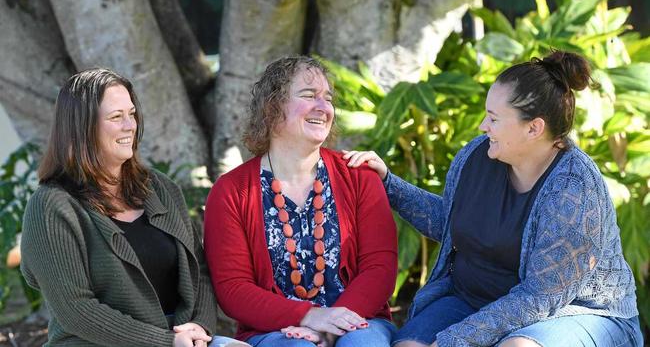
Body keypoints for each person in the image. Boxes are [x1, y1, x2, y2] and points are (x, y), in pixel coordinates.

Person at [344, 51, 644, 347]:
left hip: (574, 313)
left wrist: (453, 341)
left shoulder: (574, 190)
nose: (483, 127)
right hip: (472, 299)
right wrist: (387, 183)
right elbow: (450, 223)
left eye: (494, 119)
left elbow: (539, 298)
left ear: (533, 128)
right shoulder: (478, 154)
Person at [20, 68, 245, 347]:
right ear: (82, 128)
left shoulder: (161, 189)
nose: (130, 125)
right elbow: (76, 310)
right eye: (116, 117)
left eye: (132, 113)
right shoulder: (51, 206)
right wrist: (164, 342)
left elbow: (198, 270)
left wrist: (198, 327)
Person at [203, 56, 398, 347]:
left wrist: (332, 325)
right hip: (275, 331)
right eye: (308, 96)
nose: (323, 107)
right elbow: (234, 288)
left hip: (359, 321)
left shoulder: (359, 176)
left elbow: (380, 267)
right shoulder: (231, 192)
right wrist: (307, 316)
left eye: (328, 98)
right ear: (272, 108)